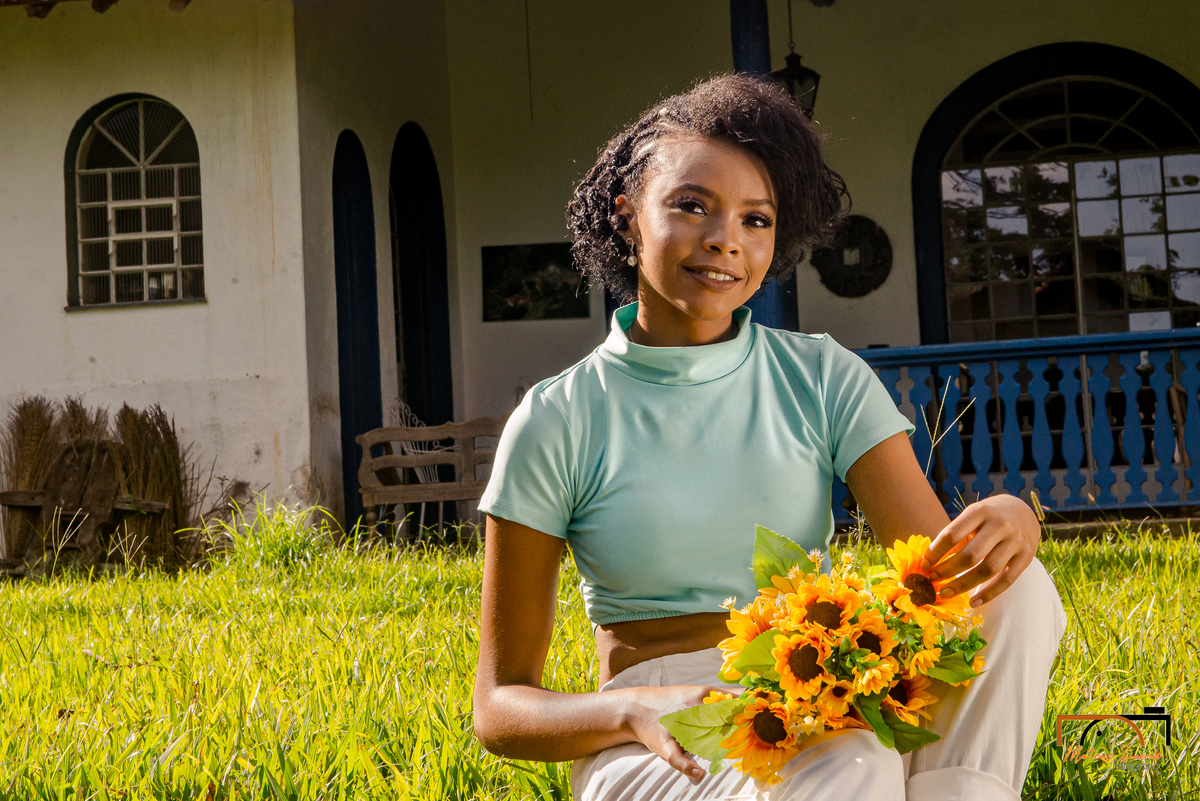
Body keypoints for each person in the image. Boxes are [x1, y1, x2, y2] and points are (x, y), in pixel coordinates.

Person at [472, 74, 1067, 801]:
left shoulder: (821, 376)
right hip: (663, 733)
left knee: (1010, 589)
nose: (725, 239)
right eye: (692, 206)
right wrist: (632, 708)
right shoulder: (559, 417)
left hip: (825, 696)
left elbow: (937, 580)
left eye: (756, 219)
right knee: (856, 764)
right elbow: (500, 708)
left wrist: (1011, 517)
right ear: (628, 217)